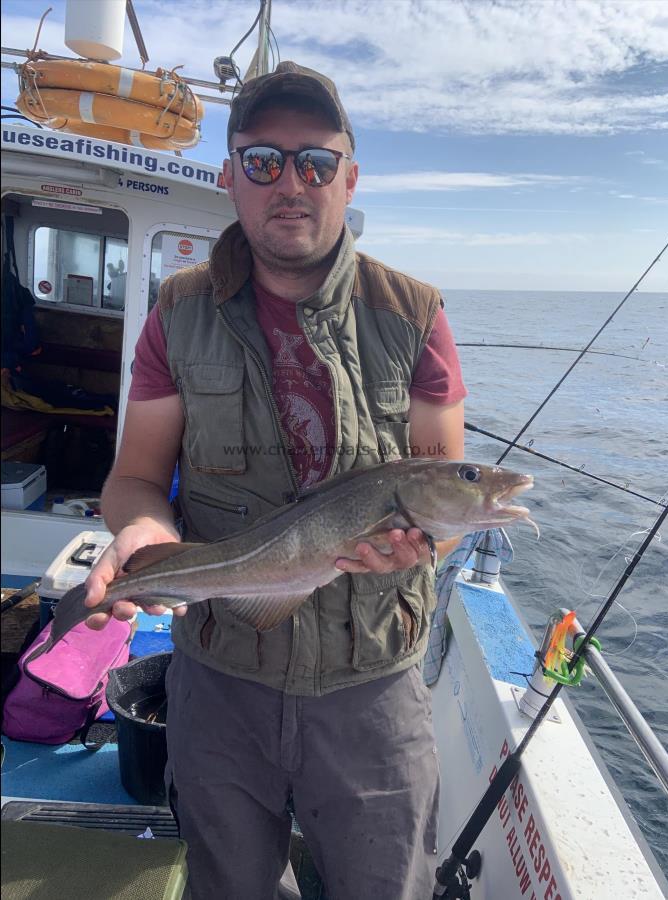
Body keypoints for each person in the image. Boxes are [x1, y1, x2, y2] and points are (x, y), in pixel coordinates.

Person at [84, 61, 468, 900]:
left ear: (349, 178)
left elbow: (442, 491)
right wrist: (146, 535)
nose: (288, 182)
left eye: (314, 162)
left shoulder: (415, 315)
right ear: (229, 177)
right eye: (261, 160)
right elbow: (136, 479)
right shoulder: (176, 313)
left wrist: (417, 547)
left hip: (371, 689)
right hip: (220, 681)